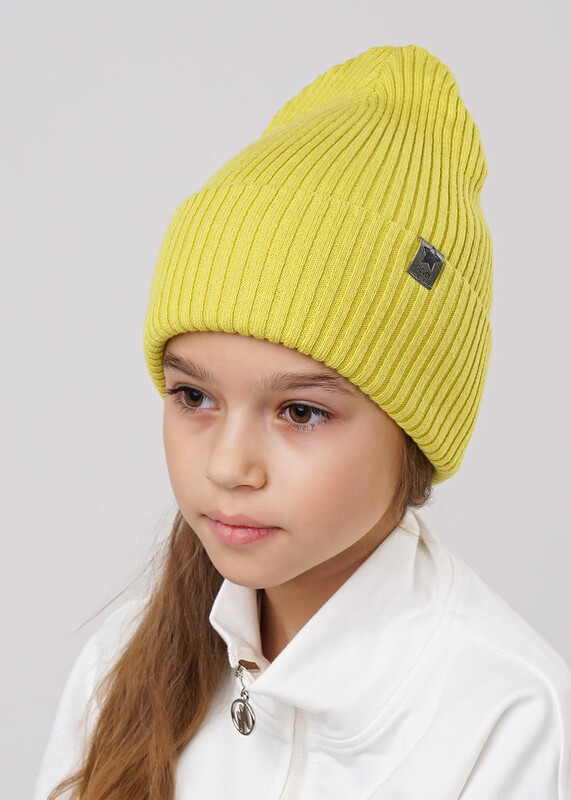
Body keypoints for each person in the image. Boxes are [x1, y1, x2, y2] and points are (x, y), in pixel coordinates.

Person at [34, 44, 571, 800]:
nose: (228, 466)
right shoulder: (118, 666)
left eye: (300, 411)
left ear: (413, 429)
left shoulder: (505, 717)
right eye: (194, 397)